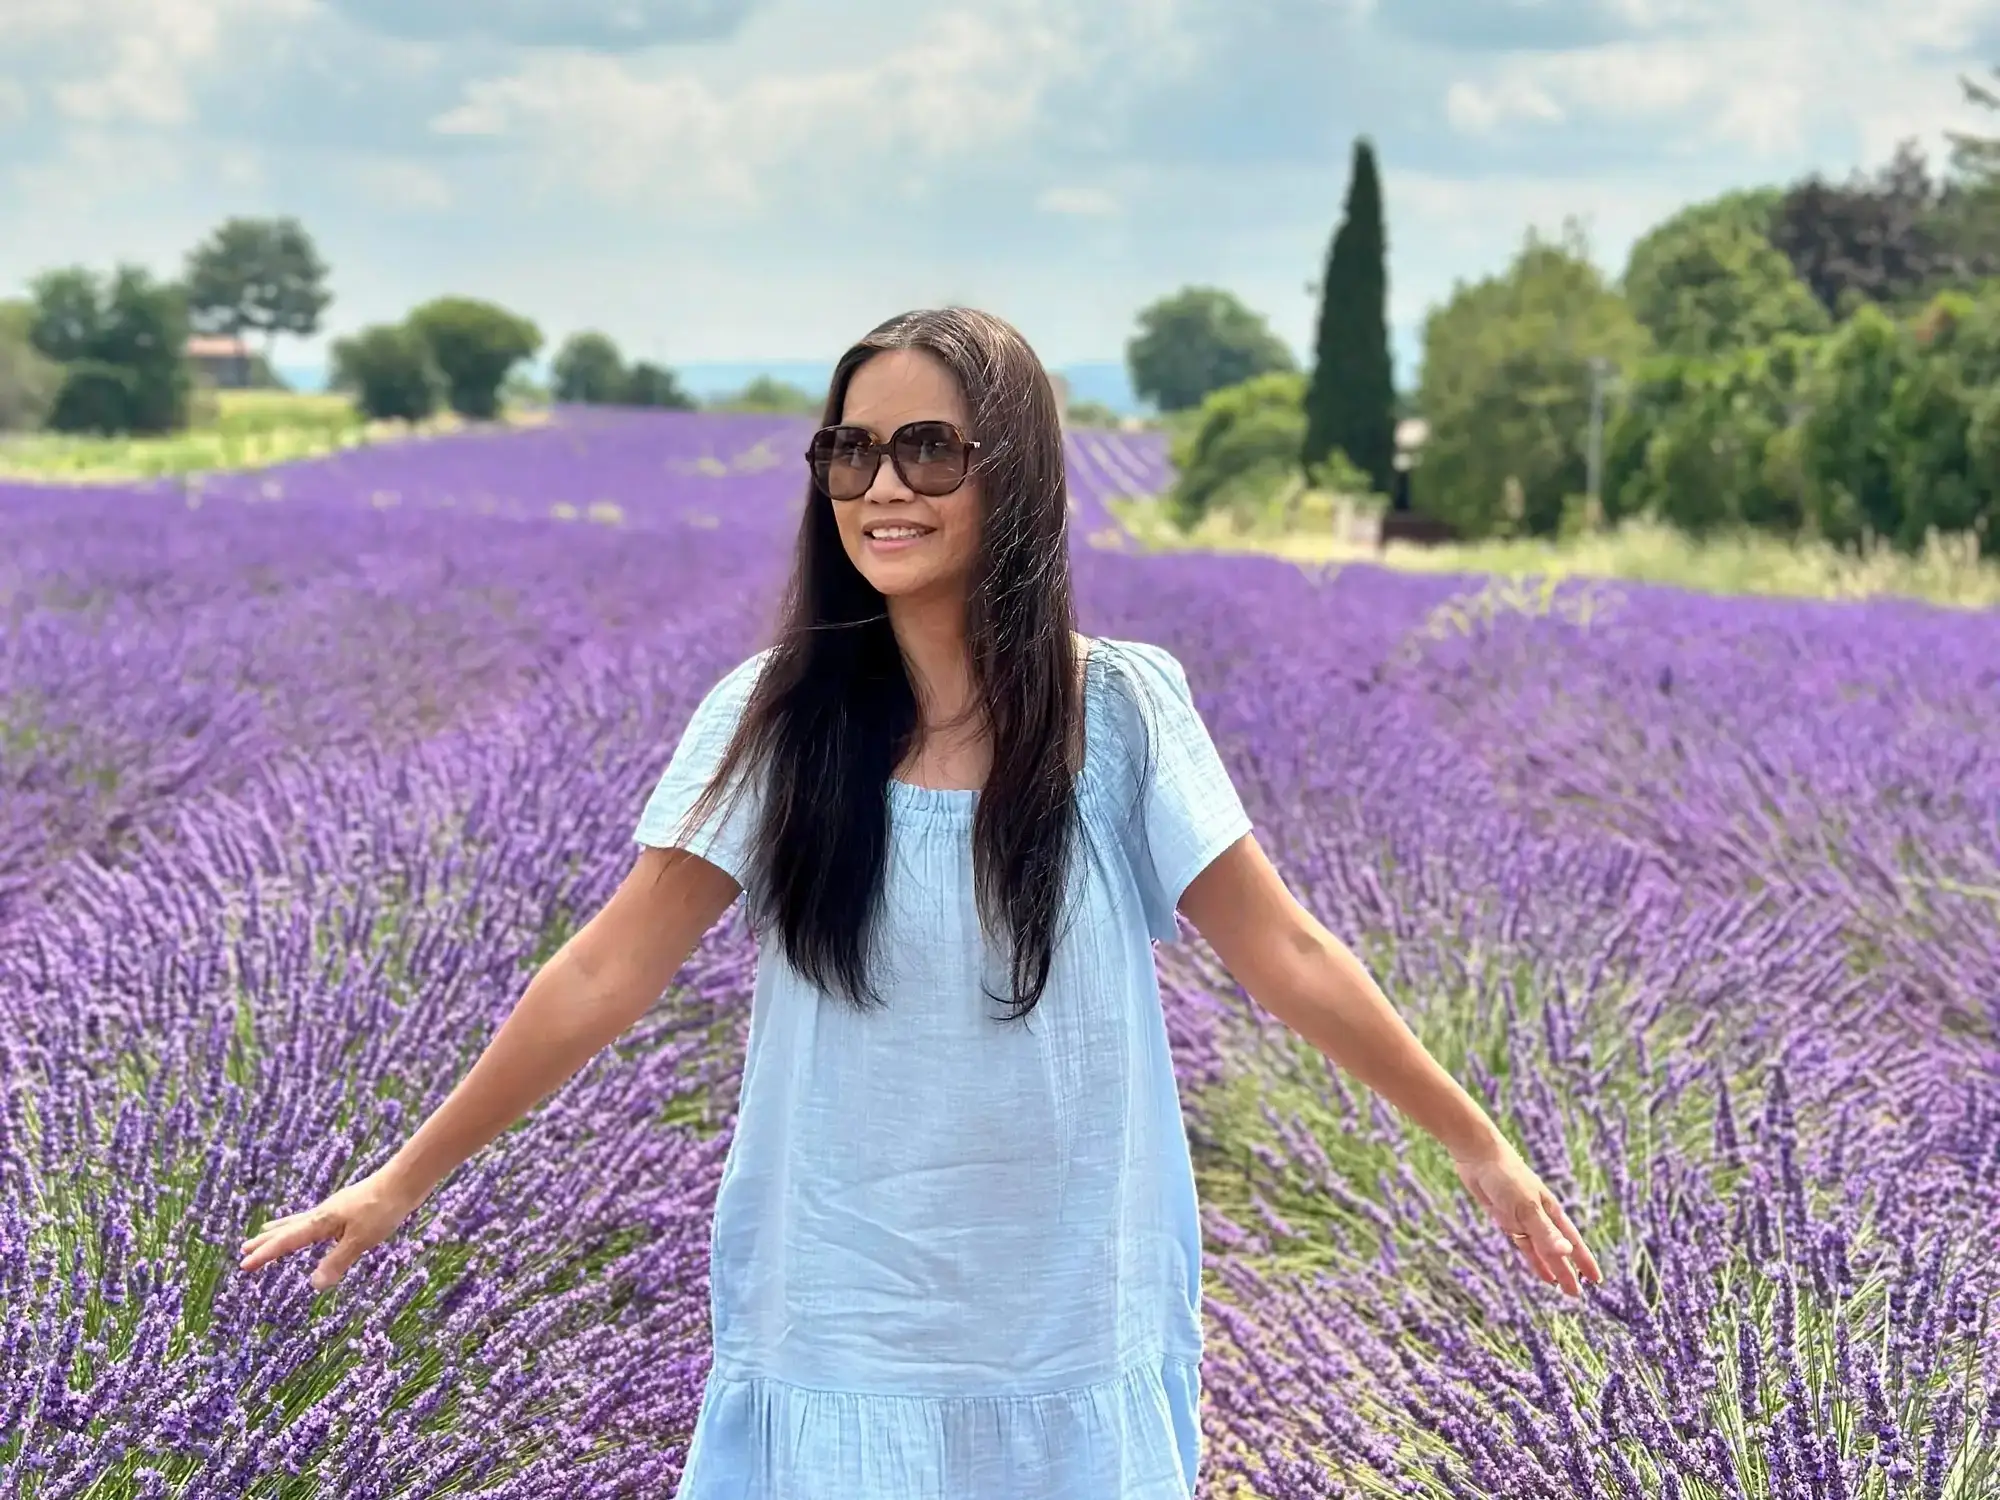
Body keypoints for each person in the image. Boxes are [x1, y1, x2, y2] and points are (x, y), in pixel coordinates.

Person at [239, 307, 1601, 1498]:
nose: (880, 484)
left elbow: (1287, 952)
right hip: (841, 1319)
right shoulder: (774, 720)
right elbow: (604, 973)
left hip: (1068, 1319)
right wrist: (401, 1181)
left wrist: (1477, 1146)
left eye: (928, 448)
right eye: (849, 450)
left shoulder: (1117, 713)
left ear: (1014, 474)